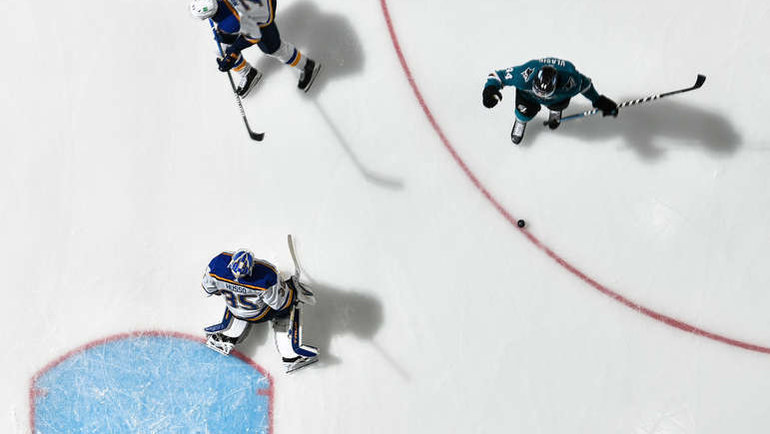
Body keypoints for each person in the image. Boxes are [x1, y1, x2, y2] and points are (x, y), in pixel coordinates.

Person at [202, 249, 319, 373]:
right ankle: (291, 356)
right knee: (292, 301)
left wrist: (233, 288)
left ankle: (227, 337)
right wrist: (291, 288)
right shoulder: (266, 275)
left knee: (236, 301)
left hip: (235, 310)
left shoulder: (217, 264)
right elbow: (280, 304)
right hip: (259, 315)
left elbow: (209, 289)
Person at [190, 0, 322, 96]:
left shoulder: (235, 20)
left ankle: (307, 66)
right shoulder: (229, 20)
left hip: (260, 14)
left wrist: (234, 50)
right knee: (225, 45)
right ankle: (248, 73)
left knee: (273, 48)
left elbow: (253, 36)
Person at [482, 57, 618, 144]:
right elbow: (497, 76)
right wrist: (490, 90)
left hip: (556, 97)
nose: (541, 96)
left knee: (559, 103)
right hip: (528, 96)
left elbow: (586, 86)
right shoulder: (524, 75)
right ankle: (521, 120)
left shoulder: (571, 81)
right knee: (523, 112)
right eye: (538, 91)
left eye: (545, 93)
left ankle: (555, 111)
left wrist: (598, 100)